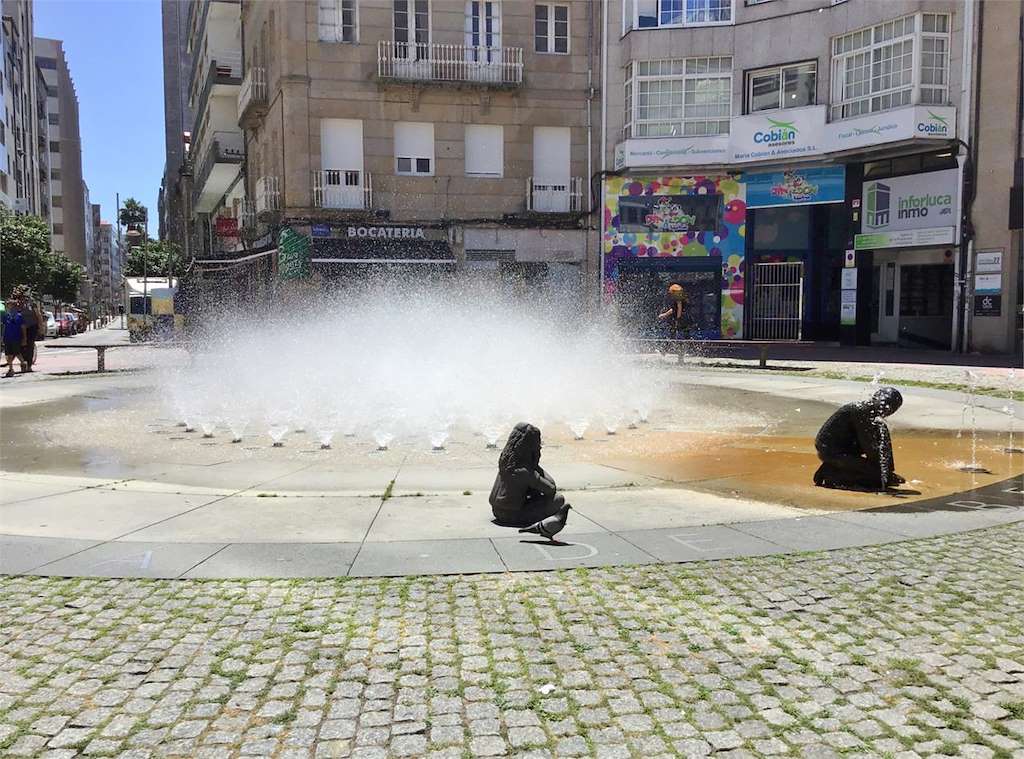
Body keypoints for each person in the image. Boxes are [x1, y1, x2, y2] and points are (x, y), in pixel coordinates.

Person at [813, 387, 907, 491]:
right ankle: (831, 474)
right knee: (879, 479)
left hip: (846, 451)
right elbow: (869, 446)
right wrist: (883, 472)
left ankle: (839, 469)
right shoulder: (861, 411)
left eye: (891, 407)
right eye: (885, 404)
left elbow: (877, 447)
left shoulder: (873, 417)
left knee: (882, 430)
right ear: (875, 398)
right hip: (832, 453)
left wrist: (887, 470)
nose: (887, 409)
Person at [489, 422, 569, 527]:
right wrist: (535, 464)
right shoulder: (524, 471)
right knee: (558, 499)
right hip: (512, 515)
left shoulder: (506, 462)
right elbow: (551, 488)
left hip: (496, 511)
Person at [2, 299, 26, 377]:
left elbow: (23, 327)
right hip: (7, 337)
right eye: (8, 305)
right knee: (8, 354)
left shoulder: (19, 316)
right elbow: (4, 326)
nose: (8, 307)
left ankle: (23, 363)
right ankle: (11, 369)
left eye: (10, 305)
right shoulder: (6, 316)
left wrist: (24, 338)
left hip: (16, 337)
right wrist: (2, 337)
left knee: (17, 353)